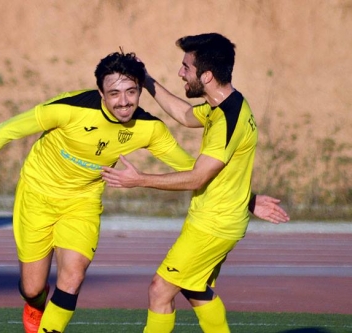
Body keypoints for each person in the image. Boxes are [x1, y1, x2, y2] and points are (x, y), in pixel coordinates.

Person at [0, 51, 287, 333]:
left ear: (139, 90)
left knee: (73, 274)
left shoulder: (149, 128)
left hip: (82, 202)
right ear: (100, 92)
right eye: (114, 93)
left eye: (131, 92)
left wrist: (250, 198)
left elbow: (193, 169)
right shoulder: (68, 109)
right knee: (33, 288)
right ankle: (35, 305)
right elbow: (7, 130)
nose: (124, 102)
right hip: (37, 195)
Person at [102, 33, 288, 333]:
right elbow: (185, 115)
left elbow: (198, 176)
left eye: (186, 67)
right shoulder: (227, 105)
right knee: (196, 289)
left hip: (213, 225)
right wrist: (146, 80)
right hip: (216, 217)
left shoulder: (227, 120)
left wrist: (139, 180)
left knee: (159, 290)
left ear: (207, 75)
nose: (180, 73)